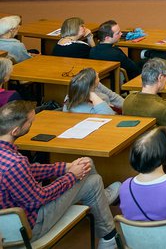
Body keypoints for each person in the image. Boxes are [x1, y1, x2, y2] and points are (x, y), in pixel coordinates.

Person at [0, 100, 121, 248]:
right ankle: (109, 236)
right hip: (28, 227)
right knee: (93, 181)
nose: (32, 125)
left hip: (6, 225)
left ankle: (101, 200)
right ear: (15, 131)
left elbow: (29, 170)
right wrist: (72, 176)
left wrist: (65, 167)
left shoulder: (10, 158)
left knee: (86, 163)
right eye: (30, 123)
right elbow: (40, 198)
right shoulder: (16, 163)